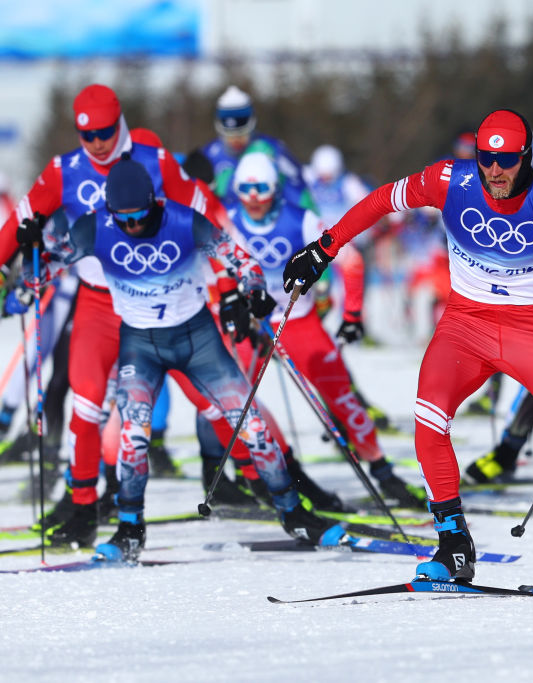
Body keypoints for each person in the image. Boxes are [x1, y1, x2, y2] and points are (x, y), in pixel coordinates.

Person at [282, 109, 533, 591]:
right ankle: (453, 546)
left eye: (506, 160)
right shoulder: (451, 181)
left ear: (525, 157)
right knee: (428, 423)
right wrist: (324, 249)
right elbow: (384, 200)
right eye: (487, 158)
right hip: (464, 326)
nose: (495, 170)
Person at [29, 156, 346, 560]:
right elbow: (43, 269)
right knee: (133, 436)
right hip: (140, 344)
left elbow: (241, 259)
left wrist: (251, 289)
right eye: (122, 218)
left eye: (140, 215)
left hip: (196, 338)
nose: (132, 226)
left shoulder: (182, 221)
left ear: (154, 203)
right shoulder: (94, 226)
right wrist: (34, 247)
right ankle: (129, 529)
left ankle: (292, 511)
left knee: (250, 426)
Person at [0, 85, 273, 546]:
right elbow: (16, 225)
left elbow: (208, 211)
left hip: (166, 302)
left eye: (106, 132)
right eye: (88, 136)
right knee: (86, 406)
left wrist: (230, 286)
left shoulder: (154, 158)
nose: (99, 143)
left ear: (119, 122)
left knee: (215, 399)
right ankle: (83, 506)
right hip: (99, 303)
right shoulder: (62, 171)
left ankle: (264, 478)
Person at [226, 150, 424, 507]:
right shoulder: (227, 222)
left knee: (342, 397)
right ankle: (248, 476)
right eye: (245, 189)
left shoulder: (300, 218)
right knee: (228, 398)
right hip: (251, 325)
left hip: (297, 321)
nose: (253, 198)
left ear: (276, 189)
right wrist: (231, 306)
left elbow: (350, 261)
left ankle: (383, 474)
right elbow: (210, 270)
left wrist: (351, 315)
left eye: (262, 188)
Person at [200, 85, 313, 209]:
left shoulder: (273, 149)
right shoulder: (208, 154)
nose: (236, 140)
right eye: (229, 134)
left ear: (252, 125)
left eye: (242, 133)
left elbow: (300, 188)